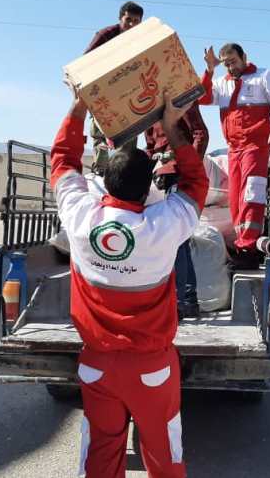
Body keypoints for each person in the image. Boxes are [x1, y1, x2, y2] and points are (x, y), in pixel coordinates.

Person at [50, 90, 208, 477]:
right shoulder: (163, 226)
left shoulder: (81, 221)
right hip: (151, 366)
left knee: (101, 452)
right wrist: (172, 127)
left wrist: (79, 107)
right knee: (163, 452)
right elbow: (194, 182)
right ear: (146, 190)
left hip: (96, 364)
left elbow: (62, 162)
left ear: (104, 182)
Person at [199, 43, 270, 269]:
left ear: (244, 57)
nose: (230, 67)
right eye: (226, 63)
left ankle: (248, 248)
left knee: (251, 194)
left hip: (255, 146)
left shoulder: (264, 77)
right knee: (235, 198)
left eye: (234, 61)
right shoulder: (222, 84)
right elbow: (202, 97)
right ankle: (242, 243)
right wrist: (210, 70)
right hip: (234, 148)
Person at [144, 105, 209, 320]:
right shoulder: (147, 106)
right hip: (159, 178)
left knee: (176, 240)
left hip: (179, 174)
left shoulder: (181, 99)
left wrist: (188, 168)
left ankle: (181, 302)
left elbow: (200, 134)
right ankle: (188, 300)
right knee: (176, 241)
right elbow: (151, 146)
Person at [84, 0, 145, 169]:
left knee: (129, 136)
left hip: (129, 96)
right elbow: (85, 61)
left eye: (136, 21)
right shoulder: (106, 35)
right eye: (128, 20)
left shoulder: (142, 40)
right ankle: (101, 170)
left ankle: (125, 174)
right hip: (103, 94)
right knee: (101, 136)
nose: (132, 24)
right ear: (120, 18)